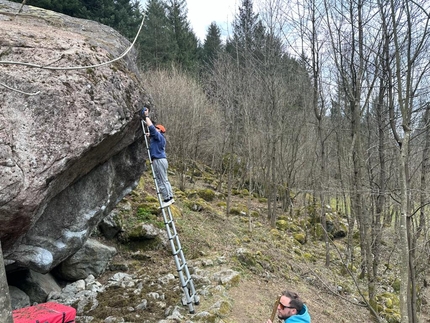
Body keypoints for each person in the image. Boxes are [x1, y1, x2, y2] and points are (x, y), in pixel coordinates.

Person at [141, 107, 174, 208]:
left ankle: (167, 198)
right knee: (164, 179)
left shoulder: (159, 136)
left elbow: (151, 127)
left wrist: (146, 116)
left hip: (159, 160)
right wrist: (150, 135)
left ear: (159, 130)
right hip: (162, 160)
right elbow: (152, 132)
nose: (154, 129)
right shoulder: (159, 138)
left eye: (156, 128)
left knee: (161, 180)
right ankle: (170, 197)